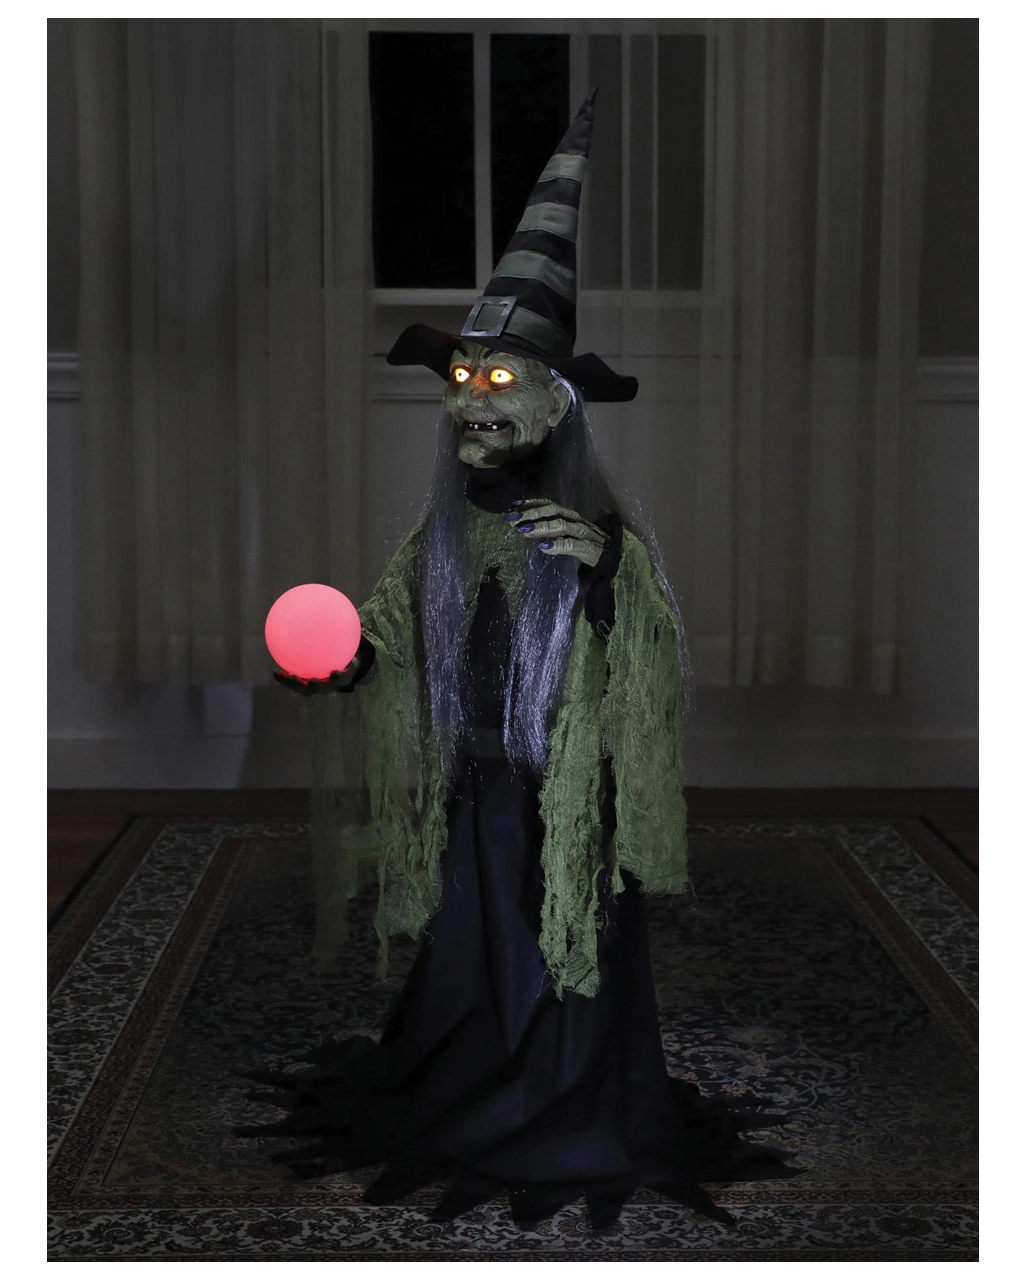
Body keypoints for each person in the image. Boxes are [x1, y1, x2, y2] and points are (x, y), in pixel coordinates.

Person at [237, 91, 797, 1230]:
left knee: (558, 946)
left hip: (563, 795)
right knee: (471, 947)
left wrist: (603, 578)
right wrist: (336, 665)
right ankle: (464, 1075)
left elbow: (652, 657)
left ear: (555, 401)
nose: (469, 403)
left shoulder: (600, 538)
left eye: (496, 382)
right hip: (475, 788)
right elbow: (383, 633)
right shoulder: (438, 539)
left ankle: (559, 1101)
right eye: (459, 383)